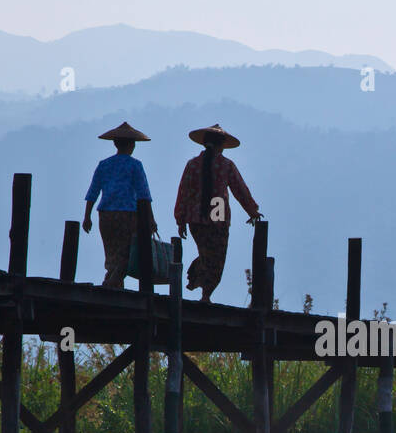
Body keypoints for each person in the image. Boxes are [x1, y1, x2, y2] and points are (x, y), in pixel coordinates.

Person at [173, 123, 263, 303]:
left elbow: (183, 192)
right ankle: (205, 294)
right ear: (221, 146)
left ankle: (202, 286)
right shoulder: (226, 165)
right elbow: (240, 189)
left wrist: (181, 219)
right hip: (217, 211)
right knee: (216, 257)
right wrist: (252, 211)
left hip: (195, 214)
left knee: (207, 253)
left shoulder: (192, 165)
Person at [82, 121, 158, 288]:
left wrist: (87, 216)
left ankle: (114, 286)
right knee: (125, 254)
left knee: (111, 254)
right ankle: (110, 285)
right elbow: (144, 195)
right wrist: (151, 219)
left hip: (106, 214)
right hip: (128, 215)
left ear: (115, 143)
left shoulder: (104, 165)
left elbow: (93, 192)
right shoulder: (135, 165)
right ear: (132, 145)